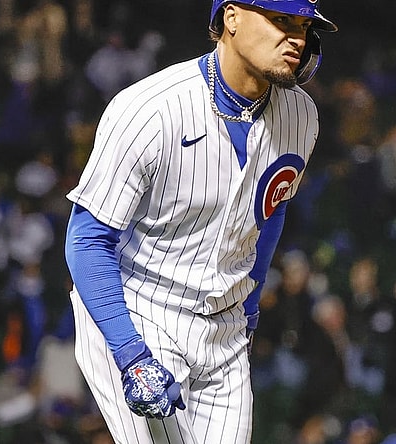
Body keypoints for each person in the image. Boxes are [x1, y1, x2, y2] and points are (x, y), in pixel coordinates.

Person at [63, 0, 337, 443]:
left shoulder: (301, 117)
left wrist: (249, 304)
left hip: (224, 329)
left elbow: (270, 208)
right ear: (231, 18)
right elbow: (88, 239)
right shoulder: (150, 110)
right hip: (141, 310)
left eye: (304, 26)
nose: (297, 38)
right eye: (282, 21)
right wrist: (131, 353)